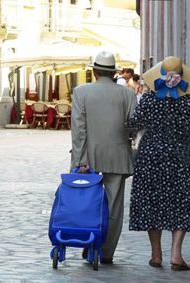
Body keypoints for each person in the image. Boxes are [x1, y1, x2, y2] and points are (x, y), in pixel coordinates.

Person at [127, 56, 190, 271]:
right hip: (181, 157)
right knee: (182, 202)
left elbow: (133, 125)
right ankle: (176, 254)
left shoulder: (147, 100)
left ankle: (156, 255)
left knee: (151, 202)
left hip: (150, 157)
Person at [71, 51, 136, 264]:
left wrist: (80, 160)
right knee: (114, 205)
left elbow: (79, 130)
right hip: (117, 155)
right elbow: (134, 126)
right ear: (114, 72)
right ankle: (106, 251)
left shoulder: (81, 92)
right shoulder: (127, 94)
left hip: (88, 156)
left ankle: (89, 242)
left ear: (94, 71)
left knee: (87, 203)